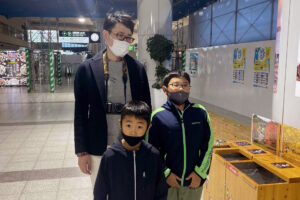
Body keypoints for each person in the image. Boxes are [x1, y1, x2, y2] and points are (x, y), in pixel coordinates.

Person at [74, 11, 151, 189]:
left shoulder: (137, 69)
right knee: (102, 191)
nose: (124, 41)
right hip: (98, 145)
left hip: (132, 143)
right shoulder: (87, 69)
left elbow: (147, 109)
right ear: (106, 35)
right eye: (119, 35)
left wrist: (145, 144)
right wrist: (81, 152)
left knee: (129, 190)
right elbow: (80, 113)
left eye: (128, 38)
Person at [146, 70, 214, 200]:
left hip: (193, 183)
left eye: (185, 85)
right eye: (175, 85)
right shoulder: (158, 116)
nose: (181, 89)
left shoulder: (200, 112)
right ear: (165, 90)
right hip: (168, 183)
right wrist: (165, 173)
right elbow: (151, 150)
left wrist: (200, 173)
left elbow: (208, 145)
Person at [94, 101, 168, 200]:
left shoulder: (153, 155)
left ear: (148, 127)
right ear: (121, 124)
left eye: (139, 126)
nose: (133, 131)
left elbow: (161, 191)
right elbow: (100, 191)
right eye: (128, 125)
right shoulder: (110, 156)